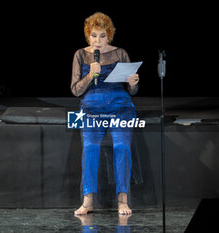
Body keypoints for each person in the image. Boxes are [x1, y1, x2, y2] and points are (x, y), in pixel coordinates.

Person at [71, 12, 139, 216]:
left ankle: (122, 200)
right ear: (88, 36)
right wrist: (91, 74)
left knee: (121, 147)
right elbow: (75, 90)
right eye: (94, 35)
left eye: (102, 35)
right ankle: (88, 200)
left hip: (121, 108)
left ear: (109, 35)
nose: (98, 40)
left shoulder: (120, 53)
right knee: (90, 148)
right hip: (91, 110)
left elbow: (132, 91)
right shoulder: (80, 55)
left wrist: (134, 84)